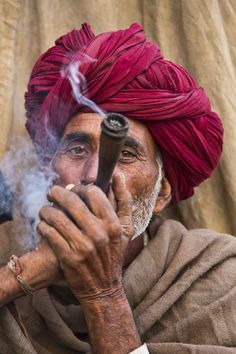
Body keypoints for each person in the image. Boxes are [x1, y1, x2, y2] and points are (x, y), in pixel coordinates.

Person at [0, 23, 236, 354]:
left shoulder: (220, 277)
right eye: (77, 149)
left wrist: (103, 295)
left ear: (163, 192)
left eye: (126, 154)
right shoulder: (3, 245)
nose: (94, 175)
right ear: (48, 169)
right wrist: (19, 276)